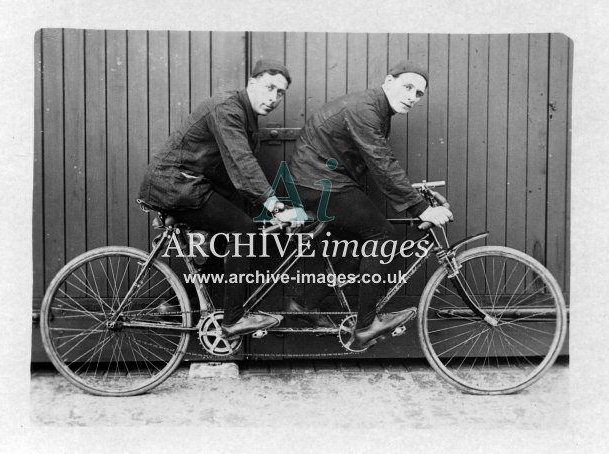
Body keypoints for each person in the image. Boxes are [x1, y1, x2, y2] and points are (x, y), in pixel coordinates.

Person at [288, 60, 453, 349]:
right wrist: (421, 209)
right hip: (318, 182)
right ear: (388, 81)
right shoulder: (365, 109)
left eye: (418, 94)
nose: (412, 97)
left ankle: (304, 304)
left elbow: (378, 163)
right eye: (408, 87)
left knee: (355, 245)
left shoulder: (376, 108)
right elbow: (381, 162)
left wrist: (410, 193)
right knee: (382, 236)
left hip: (319, 182)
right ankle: (366, 325)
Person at [138, 59, 301, 338]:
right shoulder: (228, 109)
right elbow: (241, 161)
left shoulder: (244, 115)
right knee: (244, 229)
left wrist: (276, 207)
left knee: (228, 237)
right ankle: (233, 320)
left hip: (188, 186)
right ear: (251, 83)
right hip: (175, 185)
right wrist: (275, 206)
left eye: (280, 92)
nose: (273, 98)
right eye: (269, 87)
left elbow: (232, 170)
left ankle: (175, 302)